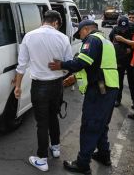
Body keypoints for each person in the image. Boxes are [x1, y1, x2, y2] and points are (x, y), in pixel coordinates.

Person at [48, 20, 119, 174]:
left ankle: (82, 164)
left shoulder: (92, 40)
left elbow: (81, 62)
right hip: (110, 88)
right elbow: (95, 65)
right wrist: (74, 78)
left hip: (100, 89)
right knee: (101, 124)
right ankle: (103, 154)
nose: (80, 38)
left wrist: (61, 65)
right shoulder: (105, 41)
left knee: (90, 125)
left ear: (86, 29)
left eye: (80, 33)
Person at [14, 10, 73, 172]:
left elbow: (21, 66)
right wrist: (60, 73)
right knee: (53, 117)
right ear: (56, 23)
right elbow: (68, 65)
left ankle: (41, 159)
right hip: (57, 85)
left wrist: (18, 87)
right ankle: (55, 148)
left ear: (44, 20)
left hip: (39, 86)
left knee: (42, 123)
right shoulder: (63, 38)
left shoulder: (29, 36)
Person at [109, 16, 134, 108]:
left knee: (132, 81)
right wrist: (120, 48)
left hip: (131, 60)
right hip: (119, 59)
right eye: (121, 29)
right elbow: (111, 40)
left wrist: (130, 48)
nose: (123, 31)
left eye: (124, 29)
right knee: (118, 81)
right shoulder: (115, 29)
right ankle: (117, 99)